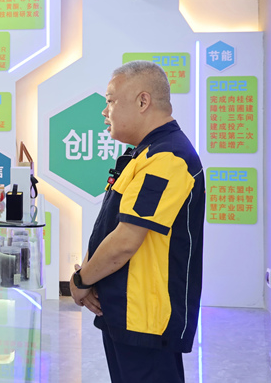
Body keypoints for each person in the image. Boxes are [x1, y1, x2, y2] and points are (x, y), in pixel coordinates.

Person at [70, 61, 205, 383]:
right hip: (125, 311)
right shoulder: (144, 154)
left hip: (146, 319)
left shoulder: (168, 158)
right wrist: (88, 273)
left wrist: (80, 281)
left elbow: (126, 240)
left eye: (111, 101)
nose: (105, 111)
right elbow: (109, 225)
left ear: (143, 101)